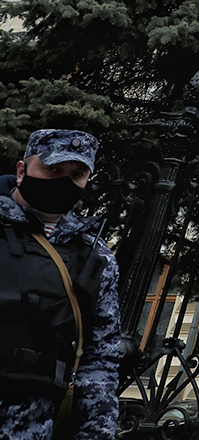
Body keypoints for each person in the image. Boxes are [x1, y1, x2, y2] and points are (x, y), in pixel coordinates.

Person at [0, 129, 120, 440]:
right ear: (22, 170)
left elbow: (100, 358)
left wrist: (96, 433)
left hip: (31, 426)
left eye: (77, 174)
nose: (64, 182)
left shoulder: (96, 257)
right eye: (53, 169)